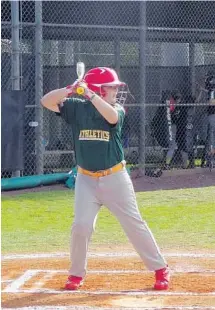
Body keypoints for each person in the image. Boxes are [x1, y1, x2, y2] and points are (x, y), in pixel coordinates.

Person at [41, 67, 170, 291]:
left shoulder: (116, 109)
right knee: (81, 226)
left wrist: (89, 94)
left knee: (133, 224)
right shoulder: (76, 108)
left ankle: (160, 269)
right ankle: (75, 274)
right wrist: (70, 89)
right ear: (100, 89)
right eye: (111, 87)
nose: (116, 91)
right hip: (86, 180)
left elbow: (111, 117)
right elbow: (46, 101)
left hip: (115, 178)